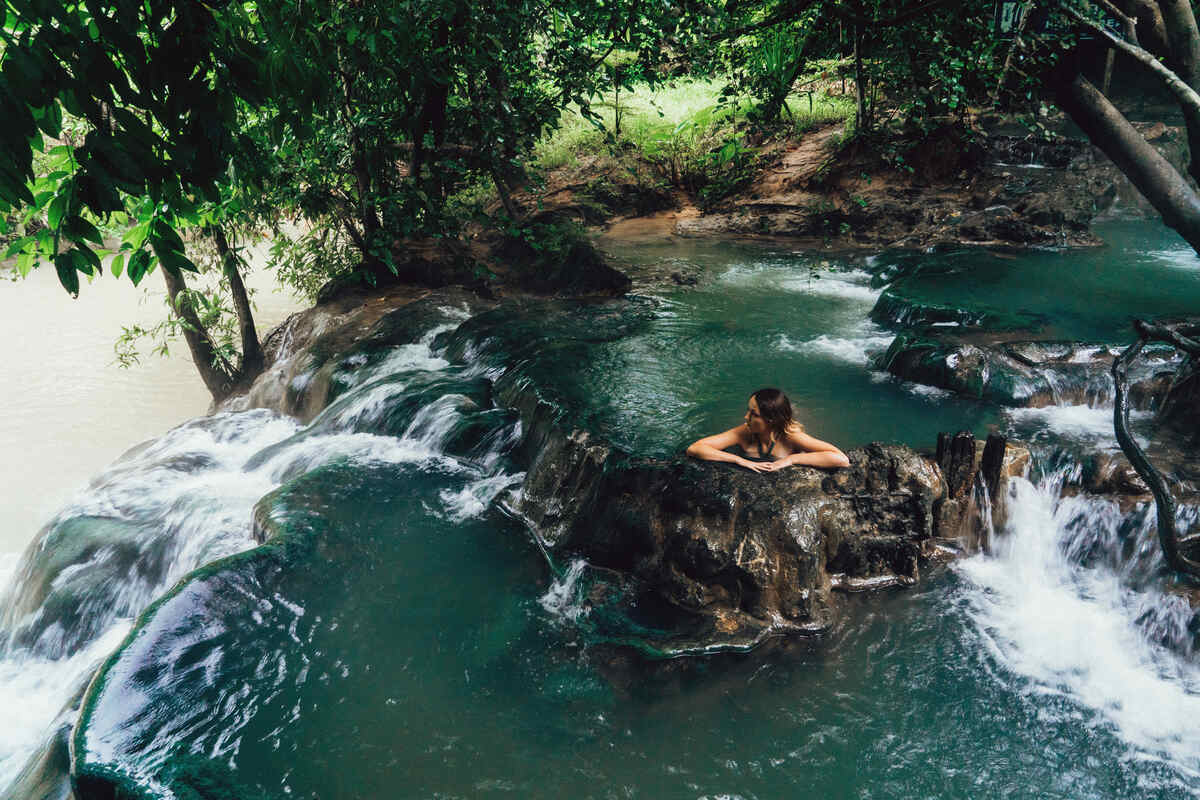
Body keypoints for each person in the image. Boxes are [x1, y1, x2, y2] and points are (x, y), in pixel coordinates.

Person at [685, 387, 850, 473]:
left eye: (753, 414)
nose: (745, 417)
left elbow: (841, 459)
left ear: (770, 420)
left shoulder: (791, 436)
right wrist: (739, 460)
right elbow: (695, 448)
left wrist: (791, 460)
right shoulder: (744, 431)